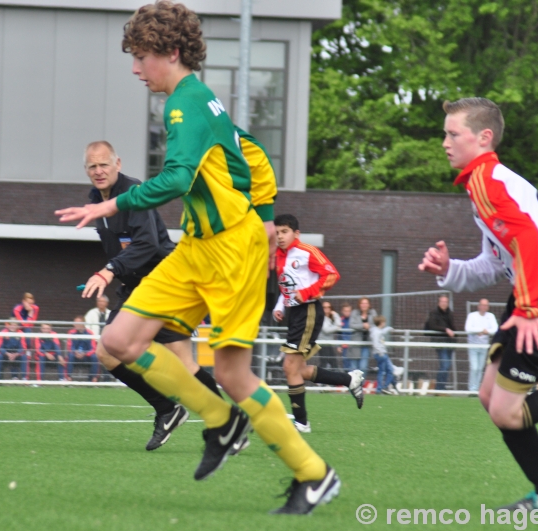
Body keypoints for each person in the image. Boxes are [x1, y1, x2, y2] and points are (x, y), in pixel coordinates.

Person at [55, 1, 339, 514]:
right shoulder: (204, 101)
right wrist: (269, 213)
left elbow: (177, 180)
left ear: (172, 52)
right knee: (117, 341)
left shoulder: (185, 105)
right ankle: (223, 422)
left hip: (231, 252)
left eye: (142, 57)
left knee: (235, 375)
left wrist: (110, 203)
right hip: (195, 247)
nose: (136, 69)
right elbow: (251, 151)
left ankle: (314, 474)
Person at [419, 96, 538, 511]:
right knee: (491, 398)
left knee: (506, 412)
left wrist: (525, 309)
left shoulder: (487, 181)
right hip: (532, 296)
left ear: (483, 137)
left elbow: (524, 238)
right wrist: (449, 270)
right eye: (445, 134)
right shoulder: (488, 182)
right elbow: (496, 261)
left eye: (453, 134)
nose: (445, 142)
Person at [76, 130, 273, 453]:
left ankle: (218, 422)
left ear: (117, 164)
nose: (98, 171)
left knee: (162, 356)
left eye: (104, 164)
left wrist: (108, 270)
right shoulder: (95, 200)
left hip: (162, 282)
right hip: (135, 286)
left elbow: (147, 243)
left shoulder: (133, 192)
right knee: (114, 353)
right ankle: (177, 411)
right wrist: (114, 271)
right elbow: (121, 248)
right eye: (92, 166)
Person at [272, 214, 363, 433]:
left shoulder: (306, 251)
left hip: (309, 311)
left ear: (296, 233)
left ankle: (302, 423)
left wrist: (306, 293)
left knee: (289, 367)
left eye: (284, 232)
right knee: (299, 370)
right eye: (277, 233)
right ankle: (350, 379)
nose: (280, 236)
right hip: (295, 314)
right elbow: (287, 287)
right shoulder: (278, 256)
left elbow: (331, 275)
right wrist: (280, 306)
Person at [465, 298, 498, 392]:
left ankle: (476, 389)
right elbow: (468, 329)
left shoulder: (490, 316)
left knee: (480, 368)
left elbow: (495, 329)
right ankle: (471, 389)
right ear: (479, 306)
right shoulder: (472, 316)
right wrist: (480, 330)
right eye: (482, 305)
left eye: (486, 305)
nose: (484, 307)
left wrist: (485, 332)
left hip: (484, 346)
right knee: (474, 367)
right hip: (473, 346)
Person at [424, 294, 456, 390]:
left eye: (446, 302)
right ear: (439, 302)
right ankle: (439, 387)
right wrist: (445, 329)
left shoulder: (450, 313)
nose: (444, 304)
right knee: (445, 365)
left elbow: (453, 327)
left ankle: (442, 387)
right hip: (440, 342)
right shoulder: (434, 313)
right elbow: (432, 325)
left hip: (450, 342)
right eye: (442, 301)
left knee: (446, 366)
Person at [371, 316, 398, 395]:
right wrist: (381, 353)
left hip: (381, 353)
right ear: (381, 323)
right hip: (381, 354)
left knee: (387, 370)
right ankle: (382, 388)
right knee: (385, 371)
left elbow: (382, 332)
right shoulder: (376, 332)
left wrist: (389, 328)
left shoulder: (377, 331)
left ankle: (383, 387)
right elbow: (375, 344)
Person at [67, 316, 98, 382]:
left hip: (86, 356)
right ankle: (68, 378)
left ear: (83, 323)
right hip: (75, 355)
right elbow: (69, 346)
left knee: (94, 357)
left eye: (77, 323)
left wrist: (85, 353)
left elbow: (93, 348)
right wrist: (75, 352)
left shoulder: (90, 333)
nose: (75, 324)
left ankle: (93, 379)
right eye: (74, 323)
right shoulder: (71, 332)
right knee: (70, 356)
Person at [349, 298, 377, 372]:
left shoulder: (373, 312)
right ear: (359, 305)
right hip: (356, 342)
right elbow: (352, 324)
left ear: (369, 305)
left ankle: (361, 383)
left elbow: (375, 324)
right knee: (354, 365)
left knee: (363, 366)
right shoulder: (355, 312)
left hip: (367, 343)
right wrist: (363, 325)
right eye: (362, 303)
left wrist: (369, 326)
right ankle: (352, 382)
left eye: (366, 303)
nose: (364, 305)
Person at [318, 301, 342, 369]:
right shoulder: (321, 317)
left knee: (333, 363)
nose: (327, 309)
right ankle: (319, 378)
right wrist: (336, 327)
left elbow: (339, 324)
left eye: (329, 307)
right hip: (322, 344)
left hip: (329, 343)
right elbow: (326, 330)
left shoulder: (331, 318)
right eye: (324, 307)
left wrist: (335, 314)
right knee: (325, 363)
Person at [337, 303, 353, 369]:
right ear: (342, 311)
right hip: (344, 346)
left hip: (353, 346)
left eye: (349, 311)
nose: (347, 313)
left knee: (353, 364)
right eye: (345, 311)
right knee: (345, 363)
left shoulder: (353, 320)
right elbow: (338, 334)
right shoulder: (340, 320)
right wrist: (338, 345)